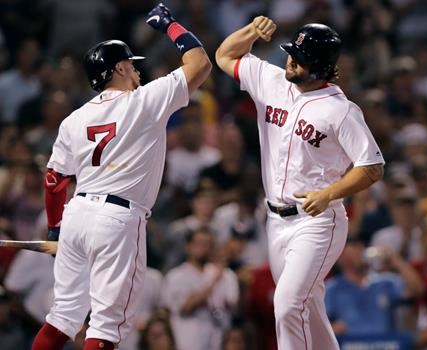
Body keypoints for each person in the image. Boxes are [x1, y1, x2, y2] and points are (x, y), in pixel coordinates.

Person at [31, 3, 211, 350]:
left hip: (77, 215)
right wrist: (171, 26)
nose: (137, 71)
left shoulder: (74, 118)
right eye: (132, 64)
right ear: (120, 67)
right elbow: (200, 63)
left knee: (62, 317)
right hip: (118, 217)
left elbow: (54, 179)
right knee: (106, 325)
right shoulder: (144, 101)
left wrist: (56, 228)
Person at [215, 17, 385, 349]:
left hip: (318, 221)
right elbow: (224, 56)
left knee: (288, 305)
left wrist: (329, 194)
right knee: (308, 308)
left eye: (301, 57)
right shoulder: (273, 80)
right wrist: (251, 32)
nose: (291, 59)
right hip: (275, 222)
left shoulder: (341, 111)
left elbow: (373, 166)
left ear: (320, 67)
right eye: (292, 51)